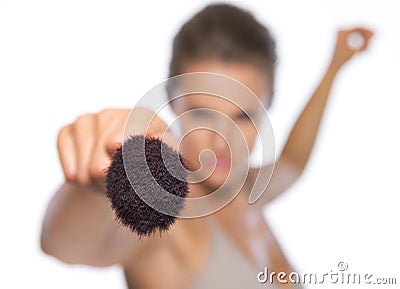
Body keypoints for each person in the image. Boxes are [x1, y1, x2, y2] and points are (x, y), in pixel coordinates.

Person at [40, 3, 373, 289]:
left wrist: (335, 65)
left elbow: (293, 162)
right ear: (174, 104)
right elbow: (65, 246)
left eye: (243, 116)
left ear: (267, 108)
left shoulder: (247, 191)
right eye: (202, 113)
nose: (222, 140)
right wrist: (99, 183)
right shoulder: (167, 217)